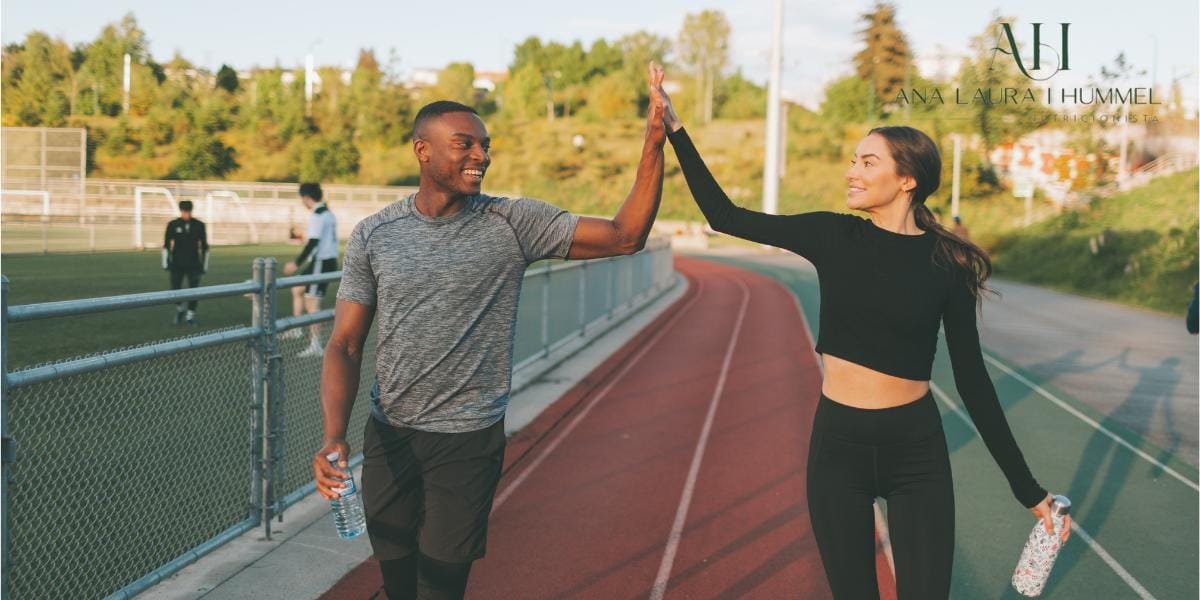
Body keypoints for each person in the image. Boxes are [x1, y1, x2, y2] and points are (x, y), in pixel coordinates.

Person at [655, 80, 1068, 599]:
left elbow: (973, 382)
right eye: (854, 160)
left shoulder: (949, 264)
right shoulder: (834, 236)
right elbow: (725, 215)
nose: (852, 171)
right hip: (838, 447)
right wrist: (675, 129)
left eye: (868, 162)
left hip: (916, 451)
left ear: (906, 180)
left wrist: (1028, 491)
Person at [311, 63, 667, 599]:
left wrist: (653, 141)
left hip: (467, 440)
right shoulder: (374, 234)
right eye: (464, 144)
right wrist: (334, 436)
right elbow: (344, 343)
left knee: (440, 585)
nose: (481, 156)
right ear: (422, 150)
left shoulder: (512, 222)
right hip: (389, 434)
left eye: (485, 145)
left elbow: (624, 236)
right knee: (397, 576)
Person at [283, 182, 338, 357]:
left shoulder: (318, 215)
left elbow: (313, 242)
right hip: (324, 261)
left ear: (306, 198)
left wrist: (296, 263)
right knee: (297, 288)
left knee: (312, 303)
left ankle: (316, 345)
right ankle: (298, 328)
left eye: (302, 199)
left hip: (321, 262)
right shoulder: (327, 212)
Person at [162, 199, 209, 325]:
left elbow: (204, 247)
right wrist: (166, 263)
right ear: (181, 211)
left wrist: (204, 265)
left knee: (193, 291)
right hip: (177, 263)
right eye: (184, 211)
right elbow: (166, 245)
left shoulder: (199, 225)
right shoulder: (173, 224)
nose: (186, 214)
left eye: (188, 211)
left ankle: (190, 316)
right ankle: (180, 309)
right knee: (174, 289)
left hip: (194, 263)